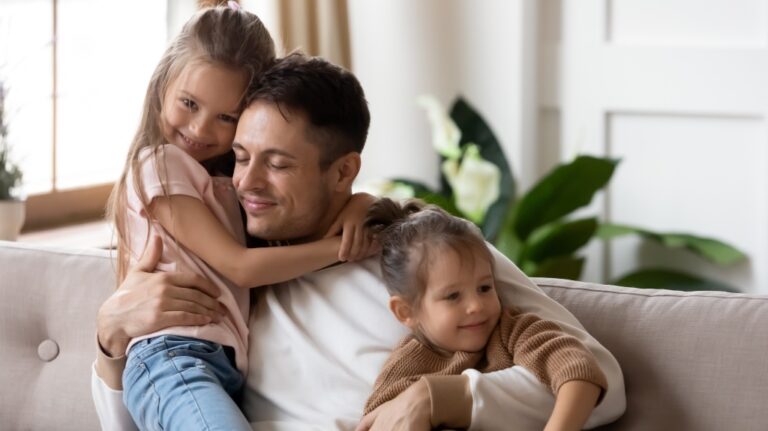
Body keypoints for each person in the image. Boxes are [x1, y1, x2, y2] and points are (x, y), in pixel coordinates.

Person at [93, 52, 627, 430]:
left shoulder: (422, 248)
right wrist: (112, 346)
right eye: (240, 156)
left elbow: (600, 380)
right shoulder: (225, 265)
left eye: (278, 164)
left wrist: (435, 398)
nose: (247, 183)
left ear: (343, 171)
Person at [105, 6, 376, 430]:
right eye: (189, 103)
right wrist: (341, 250)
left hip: (221, 365)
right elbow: (240, 266)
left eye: (226, 117)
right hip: (173, 357)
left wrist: (362, 205)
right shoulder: (158, 164)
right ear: (163, 85)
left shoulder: (228, 185)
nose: (199, 129)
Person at [361, 198, 607, 430]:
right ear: (406, 311)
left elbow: (580, 372)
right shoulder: (402, 374)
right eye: (453, 296)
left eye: (484, 288)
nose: (476, 306)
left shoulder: (515, 332)